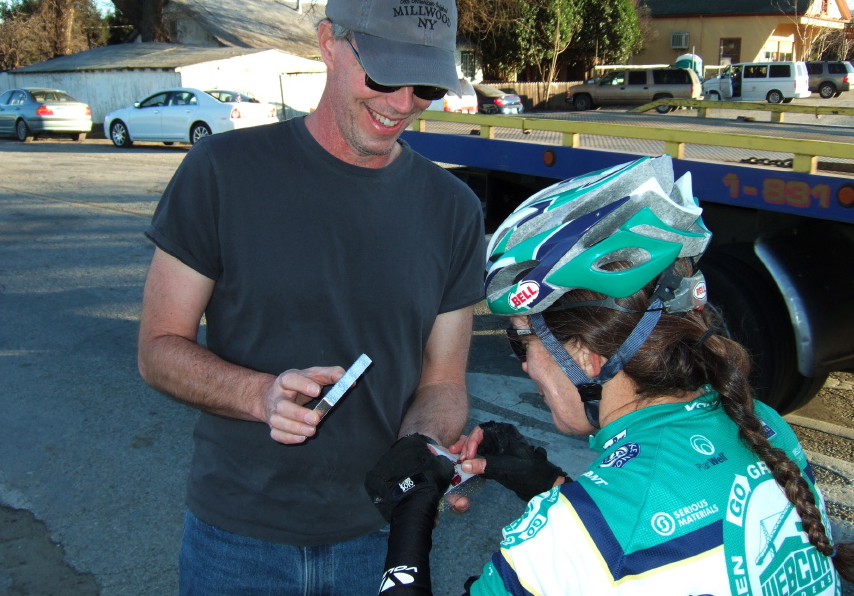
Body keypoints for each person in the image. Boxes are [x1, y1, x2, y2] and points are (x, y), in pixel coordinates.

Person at [364, 155, 853, 595]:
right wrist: (544, 482)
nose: (524, 365)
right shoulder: (767, 427)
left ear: (584, 354)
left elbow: (608, 547)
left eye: (520, 341)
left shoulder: (571, 540)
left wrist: (412, 512)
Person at [135, 0, 486, 592]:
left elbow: (443, 382)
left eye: (425, 85)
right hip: (236, 543)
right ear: (328, 42)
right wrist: (259, 395)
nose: (402, 105)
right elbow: (158, 348)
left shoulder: (453, 210)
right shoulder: (222, 171)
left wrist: (423, 456)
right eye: (383, 75)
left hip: (378, 538)